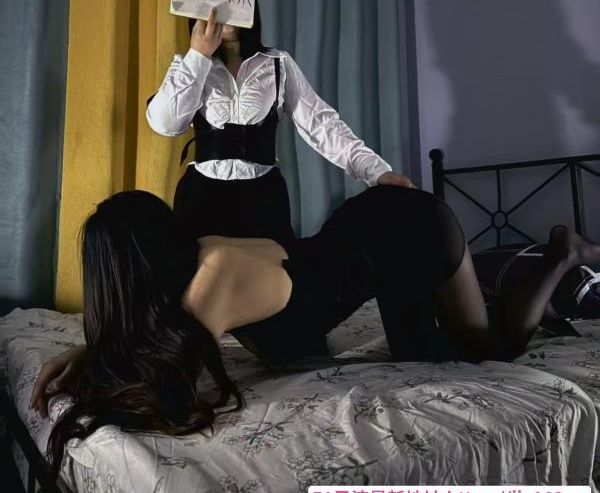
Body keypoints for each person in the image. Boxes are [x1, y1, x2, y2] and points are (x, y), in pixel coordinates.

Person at [30, 185, 600, 481]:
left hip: (413, 229)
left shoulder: (214, 274)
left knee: (490, 349)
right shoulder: (193, 272)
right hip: (373, 238)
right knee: (424, 351)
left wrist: (93, 364)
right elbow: (160, 338)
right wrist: (90, 348)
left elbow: (166, 391)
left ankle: (560, 255)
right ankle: (513, 281)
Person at [146, 0, 413, 251]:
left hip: (262, 199)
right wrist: (199, 55)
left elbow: (321, 125)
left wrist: (377, 171)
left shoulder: (277, 64)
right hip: (202, 199)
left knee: (274, 275)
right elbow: (165, 124)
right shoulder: (187, 66)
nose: (223, 8)